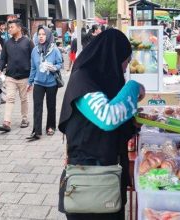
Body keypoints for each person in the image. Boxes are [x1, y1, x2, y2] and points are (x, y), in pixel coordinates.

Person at [58, 29, 145, 220]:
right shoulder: (83, 79)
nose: (125, 67)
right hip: (89, 179)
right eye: (126, 61)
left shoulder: (103, 78)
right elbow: (108, 118)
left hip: (107, 177)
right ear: (113, 56)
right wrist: (133, 87)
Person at [0, 19, 34, 132]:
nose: (9, 29)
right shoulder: (7, 43)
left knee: (24, 99)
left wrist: (33, 77)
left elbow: (34, 59)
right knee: (10, 99)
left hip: (25, 76)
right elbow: (3, 58)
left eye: (12, 27)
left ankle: (24, 119)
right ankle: (6, 123)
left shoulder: (28, 42)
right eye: (9, 27)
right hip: (10, 76)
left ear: (19, 28)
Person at [26, 26, 63, 140]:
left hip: (52, 82)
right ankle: (37, 130)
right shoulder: (35, 50)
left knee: (51, 106)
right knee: (37, 106)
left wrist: (53, 67)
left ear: (48, 35)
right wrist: (30, 82)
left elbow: (60, 64)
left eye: (43, 34)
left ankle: (50, 126)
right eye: (39, 34)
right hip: (38, 82)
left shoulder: (54, 49)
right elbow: (33, 67)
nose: (41, 36)